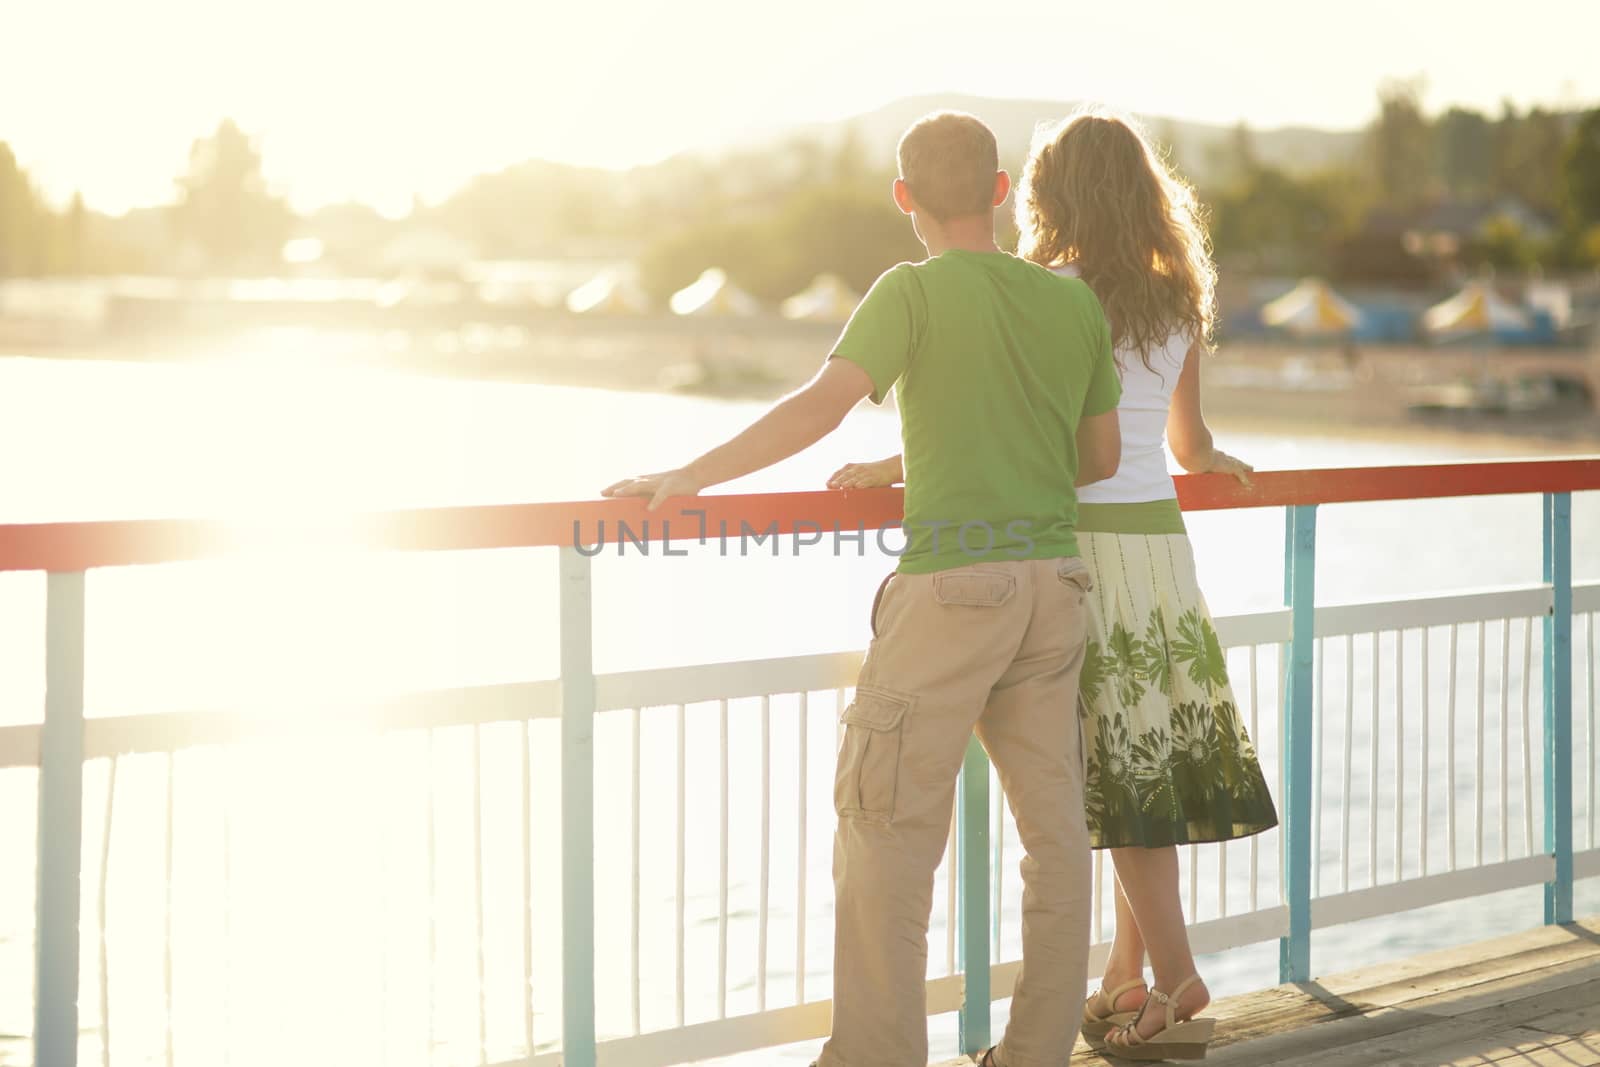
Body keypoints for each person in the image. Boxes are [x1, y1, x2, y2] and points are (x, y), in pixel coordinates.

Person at [604, 111, 1122, 1067]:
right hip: (1054, 587)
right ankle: (1034, 1052)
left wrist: (690, 473)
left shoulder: (910, 292)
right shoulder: (1071, 304)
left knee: (884, 831)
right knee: (1055, 839)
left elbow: (819, 404)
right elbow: (1097, 457)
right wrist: (926, 463)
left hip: (952, 593)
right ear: (1002, 193)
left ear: (904, 200)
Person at [828, 109, 1278, 1062]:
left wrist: (901, 474)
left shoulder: (1047, 290)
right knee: (1130, 765)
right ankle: (1124, 975)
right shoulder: (1176, 295)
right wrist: (1224, 459)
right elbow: (1186, 445)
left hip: (1078, 541)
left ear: (1043, 194)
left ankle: (1173, 972)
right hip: (1162, 546)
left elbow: (1016, 437)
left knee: (1101, 773)